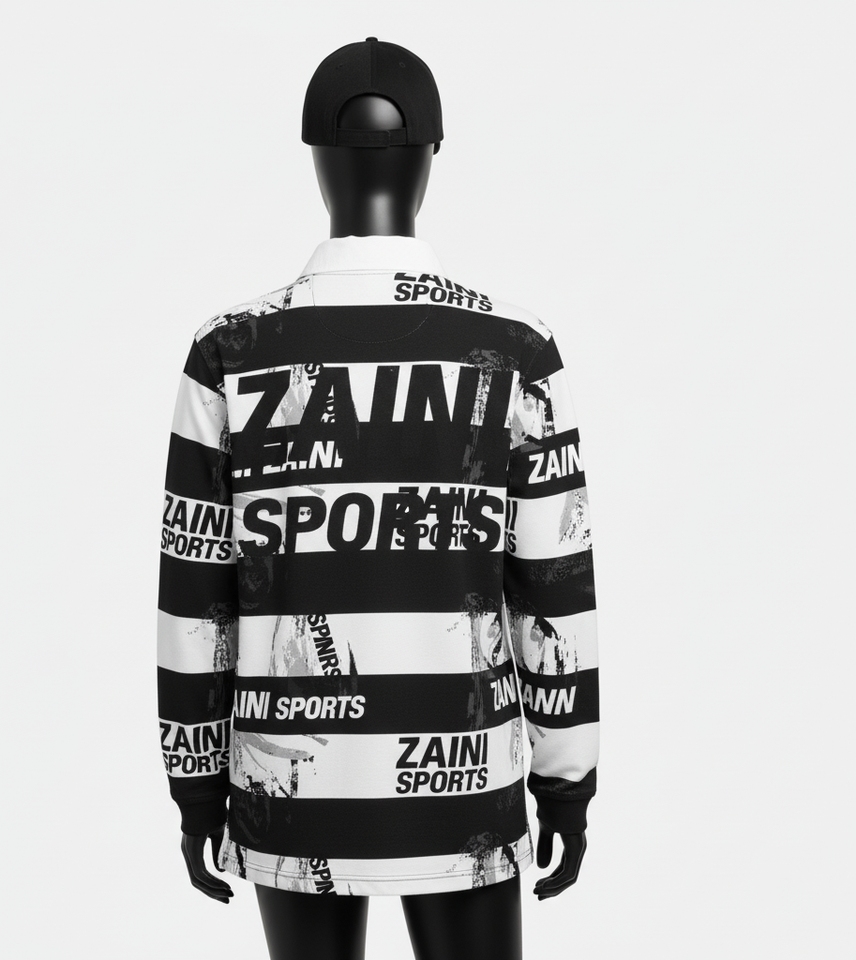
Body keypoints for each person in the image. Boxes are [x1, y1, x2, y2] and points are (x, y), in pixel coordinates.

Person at [157, 38, 599, 960]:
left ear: (316, 157)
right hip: (465, 783)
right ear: (431, 155)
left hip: (290, 791)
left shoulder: (230, 351)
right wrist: (567, 780)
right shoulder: (515, 350)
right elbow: (553, 587)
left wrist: (194, 785)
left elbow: (196, 592)